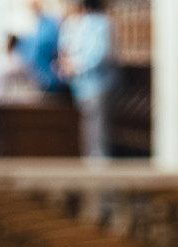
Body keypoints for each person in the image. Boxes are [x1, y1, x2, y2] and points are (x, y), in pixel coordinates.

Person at [57, 0, 115, 159]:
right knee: (86, 130)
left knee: (96, 131)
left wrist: (75, 66)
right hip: (79, 86)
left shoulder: (99, 23)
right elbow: (65, 49)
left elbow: (100, 54)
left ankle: (99, 168)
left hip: (97, 85)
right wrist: (65, 63)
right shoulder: (72, 24)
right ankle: (89, 161)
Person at [16, 0, 61, 94]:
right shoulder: (28, 25)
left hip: (52, 79)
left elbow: (56, 48)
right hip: (35, 78)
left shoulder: (51, 23)